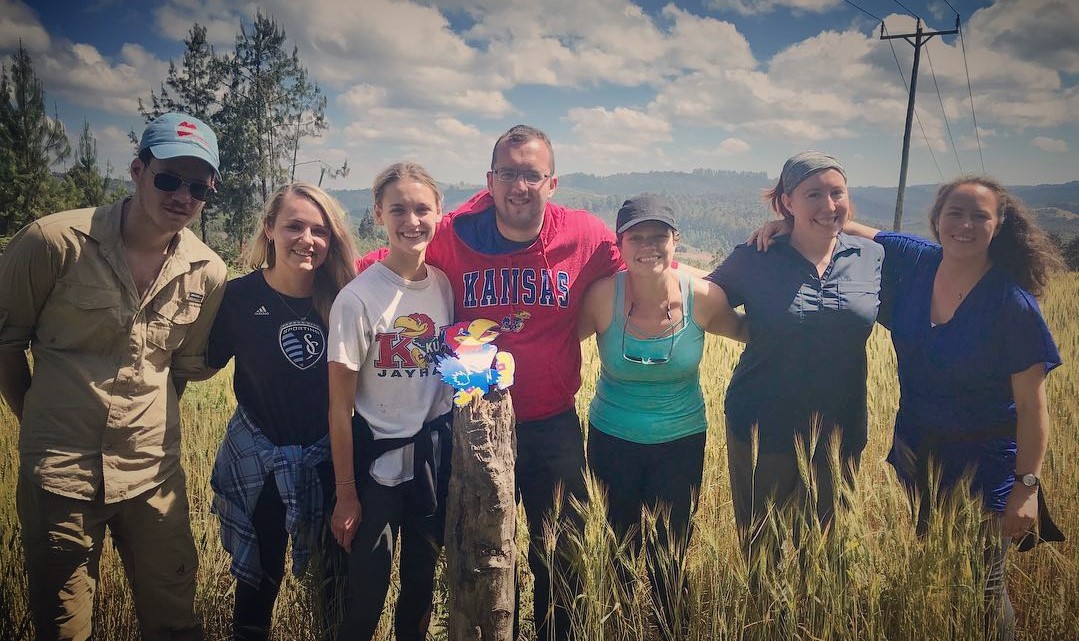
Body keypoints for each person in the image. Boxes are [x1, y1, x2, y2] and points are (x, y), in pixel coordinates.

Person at [756, 176, 1060, 641]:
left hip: (987, 462)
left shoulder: (1010, 305)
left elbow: (1032, 406)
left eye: (980, 215)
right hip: (920, 453)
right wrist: (789, 225)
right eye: (955, 213)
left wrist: (1027, 487)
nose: (965, 224)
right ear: (937, 220)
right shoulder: (919, 261)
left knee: (984, 584)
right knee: (939, 568)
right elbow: (851, 227)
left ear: (999, 226)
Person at [357, 125, 622, 640]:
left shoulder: (585, 235)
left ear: (553, 183)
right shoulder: (457, 233)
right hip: (472, 425)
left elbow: (644, 264)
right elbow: (379, 268)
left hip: (552, 426)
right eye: (508, 173)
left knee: (560, 556)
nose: (519, 186)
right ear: (490, 179)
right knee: (479, 554)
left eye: (531, 174)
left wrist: (764, 244)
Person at [0, 112, 227, 641]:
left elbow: (180, 372)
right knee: (63, 627)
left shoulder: (208, 272)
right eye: (169, 178)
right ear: (138, 170)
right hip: (61, 476)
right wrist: (37, 419)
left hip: (152, 476)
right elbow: (7, 345)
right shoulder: (52, 242)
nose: (182, 196)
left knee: (175, 620)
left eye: (198, 187)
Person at [577, 194, 746, 636]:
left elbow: (754, 334)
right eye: (638, 236)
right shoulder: (601, 297)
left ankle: (670, 628)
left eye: (660, 236)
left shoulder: (703, 297)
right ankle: (618, 627)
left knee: (671, 554)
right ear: (620, 244)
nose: (649, 245)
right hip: (612, 439)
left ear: (676, 241)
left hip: (681, 442)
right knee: (617, 548)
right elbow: (552, 345)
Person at [706, 151, 883, 554]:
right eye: (813, 195)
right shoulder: (756, 257)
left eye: (837, 193)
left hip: (841, 428)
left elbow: (933, 261)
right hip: (762, 425)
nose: (828, 204)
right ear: (786, 201)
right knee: (761, 552)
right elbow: (704, 300)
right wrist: (742, 331)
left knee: (826, 553)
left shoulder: (871, 257)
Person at [207, 182, 357, 641]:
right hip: (262, 461)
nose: (307, 239)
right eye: (294, 226)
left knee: (336, 588)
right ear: (269, 228)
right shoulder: (235, 298)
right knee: (257, 583)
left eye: (319, 230)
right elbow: (194, 364)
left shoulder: (345, 301)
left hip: (331, 463)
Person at [327, 162, 455, 641]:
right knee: (366, 597)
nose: (411, 221)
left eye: (422, 209)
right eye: (398, 209)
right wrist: (346, 493)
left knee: (420, 589)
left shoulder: (442, 286)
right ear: (378, 212)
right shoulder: (357, 299)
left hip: (430, 467)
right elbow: (340, 406)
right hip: (377, 471)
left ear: (438, 213)